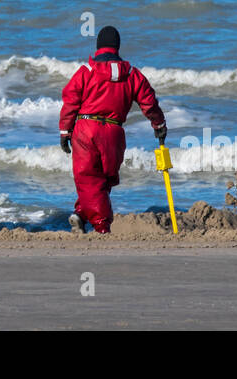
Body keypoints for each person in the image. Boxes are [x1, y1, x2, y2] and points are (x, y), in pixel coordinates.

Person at [59, 25, 166, 233]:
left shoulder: (86, 72)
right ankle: (80, 214)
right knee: (103, 179)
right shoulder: (133, 75)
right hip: (114, 133)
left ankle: (101, 226)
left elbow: (70, 101)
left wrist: (65, 131)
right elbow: (149, 102)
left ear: (98, 46)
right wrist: (159, 124)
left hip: (86, 129)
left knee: (89, 178)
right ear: (117, 47)